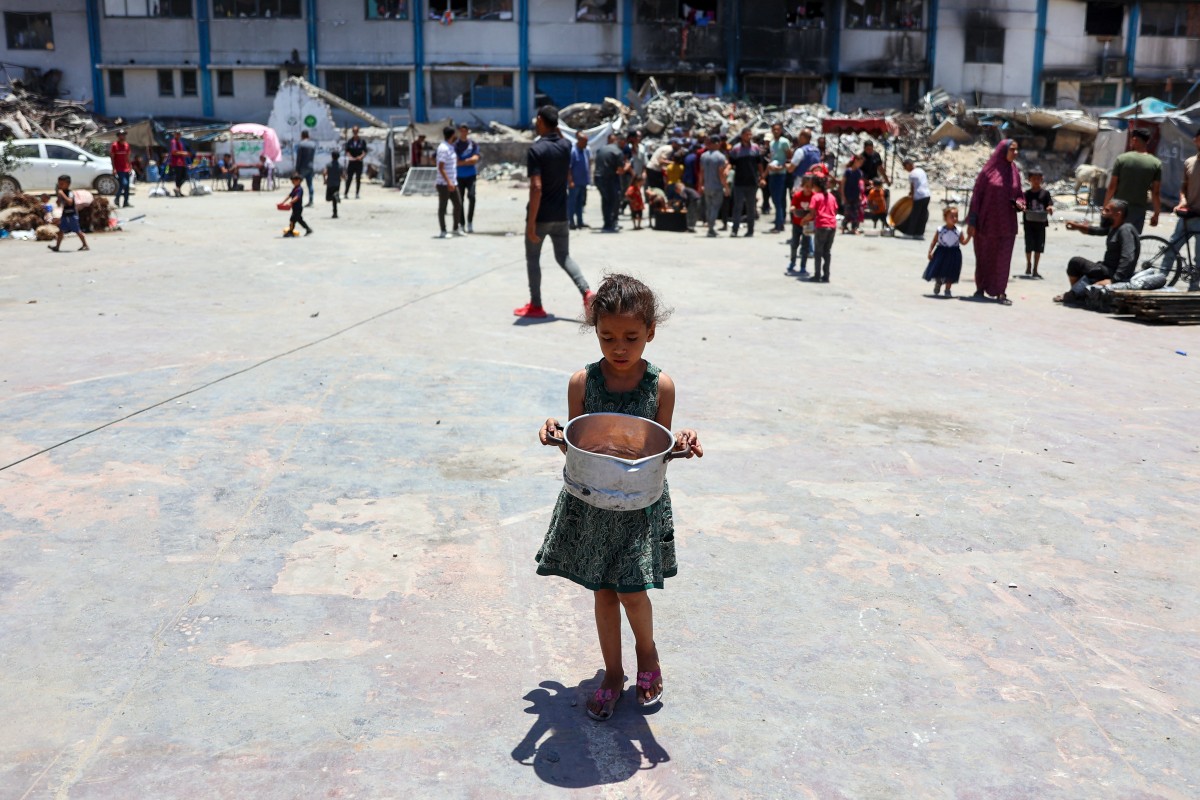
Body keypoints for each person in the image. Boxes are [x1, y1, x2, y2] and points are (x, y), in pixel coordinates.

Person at [535, 273, 703, 721]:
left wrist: (682, 443)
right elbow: (577, 443)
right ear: (595, 332)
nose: (620, 347)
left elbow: (661, 446)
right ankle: (613, 673)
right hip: (591, 502)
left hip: (637, 505)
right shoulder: (582, 383)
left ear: (651, 331)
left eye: (631, 337)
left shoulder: (660, 386)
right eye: (607, 336)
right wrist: (556, 436)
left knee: (631, 591)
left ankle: (647, 655)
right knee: (603, 593)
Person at [517, 105, 594, 318]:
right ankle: (587, 292)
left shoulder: (536, 150)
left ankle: (536, 305)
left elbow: (536, 187)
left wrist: (531, 222)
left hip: (541, 215)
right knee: (564, 256)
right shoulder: (566, 146)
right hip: (561, 214)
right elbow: (559, 138)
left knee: (533, 259)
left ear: (540, 120)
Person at [966, 140, 1023, 305]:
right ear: (1002, 151)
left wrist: (1020, 203)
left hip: (1007, 225)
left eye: (1017, 150)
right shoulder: (988, 172)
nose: (1016, 153)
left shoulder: (1014, 172)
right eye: (1012, 150)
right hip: (987, 224)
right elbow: (977, 197)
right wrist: (972, 221)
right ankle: (981, 288)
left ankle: (1000, 291)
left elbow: (1019, 193)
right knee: (985, 256)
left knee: (1003, 258)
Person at [1056, 200, 1140, 304]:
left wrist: (1114, 281)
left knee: (1075, 262)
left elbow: (1128, 257)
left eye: (1107, 210)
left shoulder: (1125, 230)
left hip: (1113, 273)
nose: (1103, 213)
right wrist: (1077, 226)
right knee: (1081, 267)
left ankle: (1076, 296)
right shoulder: (1114, 228)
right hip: (1105, 269)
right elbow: (1095, 230)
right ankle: (1077, 294)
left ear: (1118, 214)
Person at [1162, 130, 1200, 291]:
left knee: (1199, 258)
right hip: (1187, 216)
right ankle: (1160, 280)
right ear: (1196, 140)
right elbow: (1183, 188)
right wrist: (1182, 201)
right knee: (1171, 249)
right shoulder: (1189, 162)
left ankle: (1194, 286)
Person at [1104, 127, 1161, 233]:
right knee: (1132, 242)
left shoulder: (1122, 159)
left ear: (1134, 140)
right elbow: (1156, 193)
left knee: (1115, 240)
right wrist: (1156, 214)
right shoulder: (1156, 163)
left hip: (1118, 209)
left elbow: (1112, 186)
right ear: (1147, 141)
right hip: (1138, 211)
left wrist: (1105, 206)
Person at [924, 206, 970, 297]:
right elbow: (934, 241)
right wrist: (930, 252)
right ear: (945, 218)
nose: (955, 219)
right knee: (940, 270)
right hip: (941, 252)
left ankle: (948, 289)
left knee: (951, 272)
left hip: (954, 253)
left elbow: (963, 242)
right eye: (952, 216)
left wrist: (969, 236)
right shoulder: (940, 230)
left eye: (956, 216)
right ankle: (938, 283)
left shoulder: (959, 231)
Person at [728, 128, 765, 238]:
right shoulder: (736, 149)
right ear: (742, 135)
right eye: (747, 134)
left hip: (752, 182)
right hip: (739, 182)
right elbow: (731, 163)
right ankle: (735, 230)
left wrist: (762, 177)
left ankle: (750, 230)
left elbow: (759, 164)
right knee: (737, 207)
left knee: (751, 207)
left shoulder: (755, 148)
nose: (749, 136)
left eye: (750, 134)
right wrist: (726, 169)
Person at [799, 174, 836, 282]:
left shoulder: (815, 197)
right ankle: (826, 275)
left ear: (814, 185)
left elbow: (812, 214)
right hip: (832, 226)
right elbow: (835, 210)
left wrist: (804, 220)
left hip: (822, 226)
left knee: (818, 252)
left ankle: (817, 275)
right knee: (827, 251)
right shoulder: (831, 196)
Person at [1022, 167, 1053, 278]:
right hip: (1028, 223)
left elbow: (1049, 204)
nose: (1036, 181)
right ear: (1029, 180)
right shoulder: (1026, 194)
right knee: (1029, 245)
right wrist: (1023, 207)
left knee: (1039, 247)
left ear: (1041, 179)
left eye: (1038, 179)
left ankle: (1035, 268)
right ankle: (1029, 264)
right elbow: (1022, 204)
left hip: (1040, 223)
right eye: (1034, 178)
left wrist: (1049, 208)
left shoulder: (1045, 193)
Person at [697, 134, 729, 238]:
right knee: (715, 207)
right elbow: (721, 174)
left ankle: (710, 226)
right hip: (717, 186)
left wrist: (700, 185)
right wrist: (726, 187)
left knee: (709, 207)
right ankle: (711, 228)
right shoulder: (720, 157)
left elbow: (701, 172)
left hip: (707, 186)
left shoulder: (704, 156)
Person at [435, 125, 464, 239]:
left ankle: (455, 228)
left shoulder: (451, 147)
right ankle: (443, 230)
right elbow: (441, 167)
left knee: (458, 204)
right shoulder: (443, 148)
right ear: (452, 135)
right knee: (443, 207)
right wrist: (448, 182)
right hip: (444, 184)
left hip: (453, 182)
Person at [593, 132, 626, 233]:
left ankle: (607, 223)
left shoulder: (602, 148)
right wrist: (626, 167)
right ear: (622, 142)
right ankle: (609, 224)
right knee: (612, 201)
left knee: (605, 200)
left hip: (598, 178)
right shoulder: (618, 152)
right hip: (608, 179)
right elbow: (620, 171)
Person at [47, 175, 88, 252]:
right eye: (59, 184)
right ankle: (57, 246)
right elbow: (59, 204)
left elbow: (70, 202)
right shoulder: (61, 193)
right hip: (65, 214)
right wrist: (59, 198)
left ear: (68, 184)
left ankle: (85, 244)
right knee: (61, 231)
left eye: (62, 184)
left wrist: (62, 194)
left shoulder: (70, 193)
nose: (60, 185)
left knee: (77, 230)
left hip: (72, 214)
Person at [787, 171, 815, 276]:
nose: (808, 189)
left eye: (811, 186)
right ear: (802, 186)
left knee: (805, 246)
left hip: (807, 224)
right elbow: (793, 205)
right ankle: (792, 262)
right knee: (794, 244)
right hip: (797, 223)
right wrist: (793, 208)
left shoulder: (814, 196)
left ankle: (803, 265)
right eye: (806, 186)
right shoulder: (798, 195)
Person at [895, 157, 931, 238]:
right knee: (922, 215)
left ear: (909, 165)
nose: (905, 169)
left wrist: (911, 196)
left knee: (914, 215)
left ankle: (909, 233)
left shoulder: (912, 174)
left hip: (918, 196)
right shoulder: (921, 170)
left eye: (905, 167)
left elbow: (913, 186)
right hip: (927, 195)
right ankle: (919, 233)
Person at [454, 123, 481, 231]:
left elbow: (475, 159)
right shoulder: (455, 145)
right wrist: (467, 161)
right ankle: (462, 223)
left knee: (472, 197)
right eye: (461, 130)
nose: (463, 132)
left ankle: (470, 222)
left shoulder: (473, 144)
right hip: (459, 176)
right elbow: (455, 162)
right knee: (460, 200)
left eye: (465, 130)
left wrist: (463, 162)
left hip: (471, 175)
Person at [767, 122, 792, 232]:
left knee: (779, 199)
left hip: (781, 173)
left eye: (778, 129)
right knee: (775, 198)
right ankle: (779, 221)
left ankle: (779, 223)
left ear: (781, 130)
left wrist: (782, 167)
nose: (776, 131)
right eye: (774, 129)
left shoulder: (784, 142)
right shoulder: (772, 143)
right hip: (772, 173)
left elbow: (789, 157)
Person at [568, 130, 591, 230]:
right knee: (572, 203)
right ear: (580, 141)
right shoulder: (573, 151)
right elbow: (568, 168)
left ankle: (580, 222)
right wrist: (570, 181)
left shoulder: (585, 151)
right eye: (585, 142)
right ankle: (571, 222)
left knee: (580, 203)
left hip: (583, 182)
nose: (586, 144)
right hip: (575, 183)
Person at [840, 154, 864, 234]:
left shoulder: (859, 172)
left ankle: (854, 228)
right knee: (847, 212)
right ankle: (843, 227)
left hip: (856, 195)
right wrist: (843, 195)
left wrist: (860, 195)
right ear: (855, 161)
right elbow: (843, 183)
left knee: (855, 212)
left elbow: (859, 184)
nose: (860, 164)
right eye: (859, 162)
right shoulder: (848, 171)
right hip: (848, 194)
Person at [109, 129, 133, 208]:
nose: (123, 136)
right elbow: (112, 158)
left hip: (126, 168)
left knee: (127, 186)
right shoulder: (114, 145)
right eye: (121, 135)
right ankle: (117, 198)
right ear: (118, 136)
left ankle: (125, 202)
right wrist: (114, 169)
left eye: (124, 135)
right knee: (123, 184)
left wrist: (130, 167)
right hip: (119, 169)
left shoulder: (127, 145)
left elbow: (128, 157)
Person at [343, 125, 367, 199]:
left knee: (358, 178)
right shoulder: (350, 141)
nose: (355, 133)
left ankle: (357, 193)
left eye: (356, 131)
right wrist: (351, 157)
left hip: (359, 162)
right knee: (349, 178)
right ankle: (346, 193)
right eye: (354, 131)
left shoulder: (362, 141)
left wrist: (360, 157)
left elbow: (365, 151)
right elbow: (347, 151)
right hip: (352, 162)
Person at [294, 130, 317, 206]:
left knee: (297, 185)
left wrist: (297, 169)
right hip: (310, 167)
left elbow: (299, 158)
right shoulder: (313, 144)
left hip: (302, 167)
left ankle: (297, 200)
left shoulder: (301, 145)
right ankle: (311, 200)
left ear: (302, 136)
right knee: (310, 184)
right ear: (308, 136)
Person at [168, 131, 190, 197]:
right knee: (180, 177)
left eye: (179, 134)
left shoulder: (179, 142)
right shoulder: (174, 142)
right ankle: (177, 189)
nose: (179, 135)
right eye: (177, 134)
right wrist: (183, 153)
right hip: (177, 163)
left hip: (182, 162)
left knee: (183, 177)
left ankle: (178, 190)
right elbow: (174, 152)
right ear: (175, 135)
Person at [323, 151, 342, 219]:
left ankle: (334, 197)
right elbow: (342, 175)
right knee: (334, 199)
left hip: (330, 183)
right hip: (337, 183)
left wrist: (324, 180)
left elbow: (325, 172)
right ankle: (335, 212)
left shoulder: (328, 165)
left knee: (328, 198)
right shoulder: (340, 166)